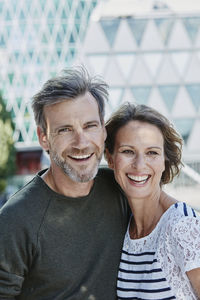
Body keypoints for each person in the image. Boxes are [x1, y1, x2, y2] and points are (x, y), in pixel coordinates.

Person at [0, 67, 129, 300]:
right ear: (43, 138)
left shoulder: (122, 188)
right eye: (65, 130)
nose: (81, 143)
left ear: (103, 130)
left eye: (90, 126)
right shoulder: (16, 219)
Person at [105, 102, 200, 299]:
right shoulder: (125, 229)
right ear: (110, 158)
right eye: (128, 151)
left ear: (165, 160)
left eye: (152, 153)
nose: (140, 165)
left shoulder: (182, 226)